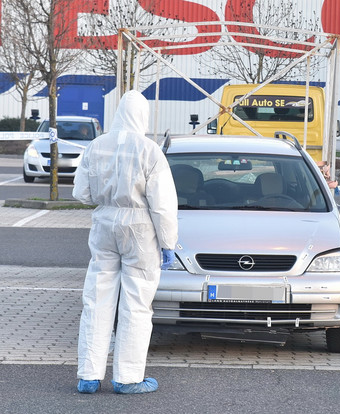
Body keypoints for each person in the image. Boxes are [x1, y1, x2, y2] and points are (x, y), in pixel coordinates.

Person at [73, 90, 179, 394]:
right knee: (136, 303)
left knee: (96, 299)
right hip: (140, 230)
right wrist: (168, 242)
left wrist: (107, 199)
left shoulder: (96, 146)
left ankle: (88, 375)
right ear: (142, 116)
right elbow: (162, 205)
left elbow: (81, 193)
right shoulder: (150, 151)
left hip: (104, 225)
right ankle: (128, 377)